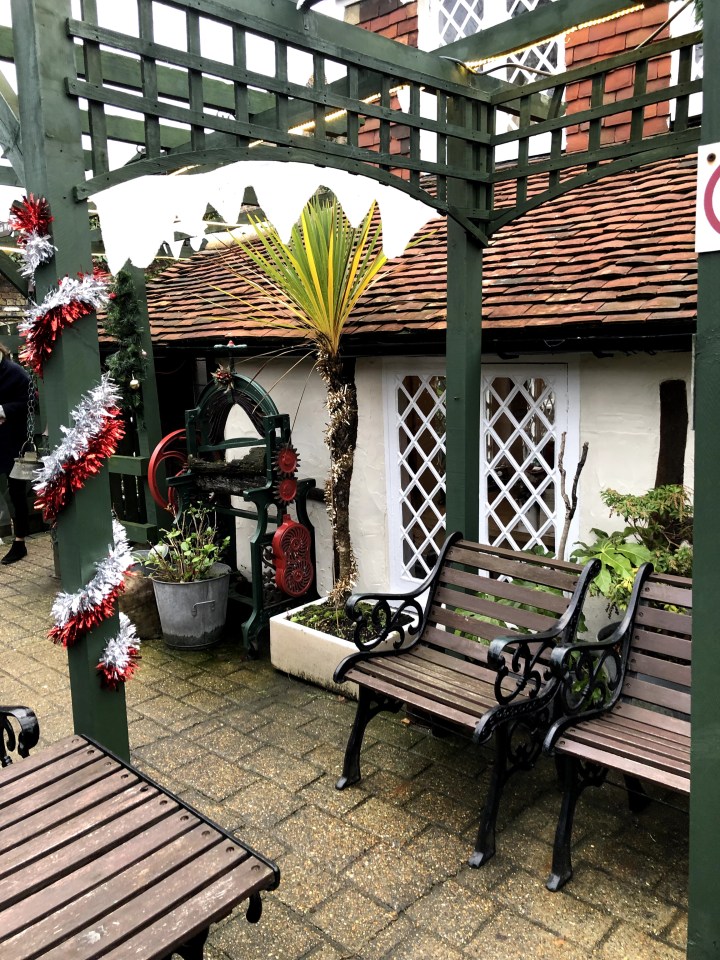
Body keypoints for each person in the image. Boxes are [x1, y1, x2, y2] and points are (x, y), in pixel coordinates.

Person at [0, 343, 31, 564]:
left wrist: (3, 410)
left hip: (13, 442)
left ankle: (20, 542)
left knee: (17, 493)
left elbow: (31, 401)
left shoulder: (15, 372)